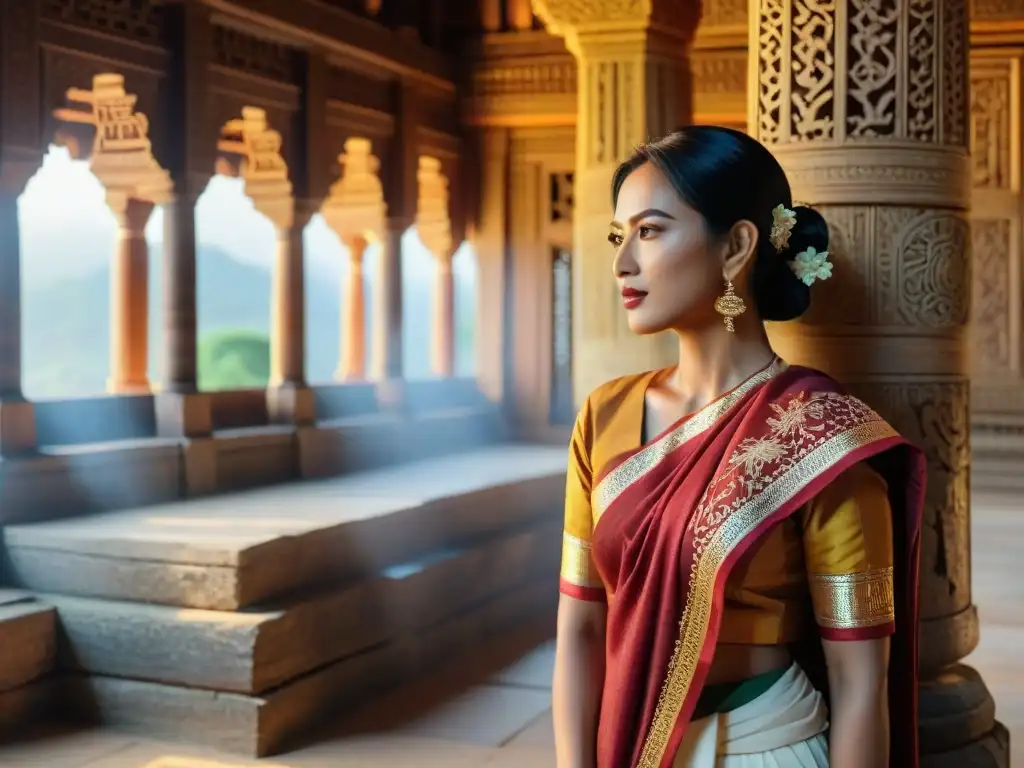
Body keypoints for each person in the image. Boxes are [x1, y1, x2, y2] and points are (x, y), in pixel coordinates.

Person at [552, 126, 925, 768]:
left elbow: (861, 681)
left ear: (738, 246)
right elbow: (579, 630)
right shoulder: (604, 416)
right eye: (619, 237)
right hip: (628, 743)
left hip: (764, 747)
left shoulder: (822, 437)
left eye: (649, 230)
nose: (621, 264)